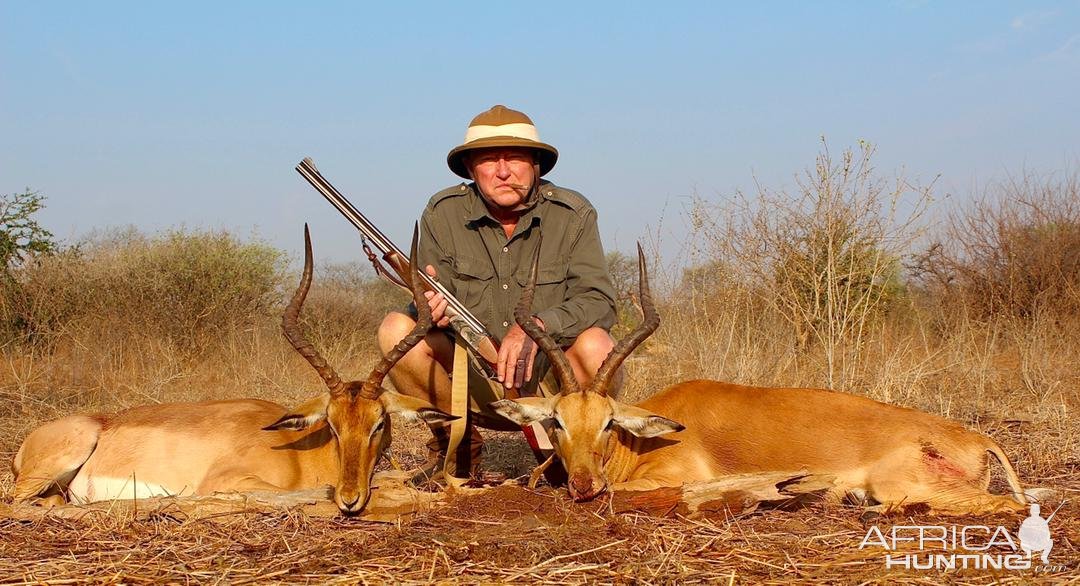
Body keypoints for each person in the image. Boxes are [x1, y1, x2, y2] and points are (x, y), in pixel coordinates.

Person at [377, 105, 619, 478]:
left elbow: (599, 301)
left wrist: (538, 327)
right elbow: (429, 298)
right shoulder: (443, 212)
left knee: (596, 345)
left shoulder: (573, 213)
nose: (503, 171)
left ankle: (583, 455)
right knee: (396, 328)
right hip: (474, 379)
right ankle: (456, 447)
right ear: (472, 169)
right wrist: (429, 309)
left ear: (536, 164)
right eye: (489, 160)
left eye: (515, 158)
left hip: (554, 384)